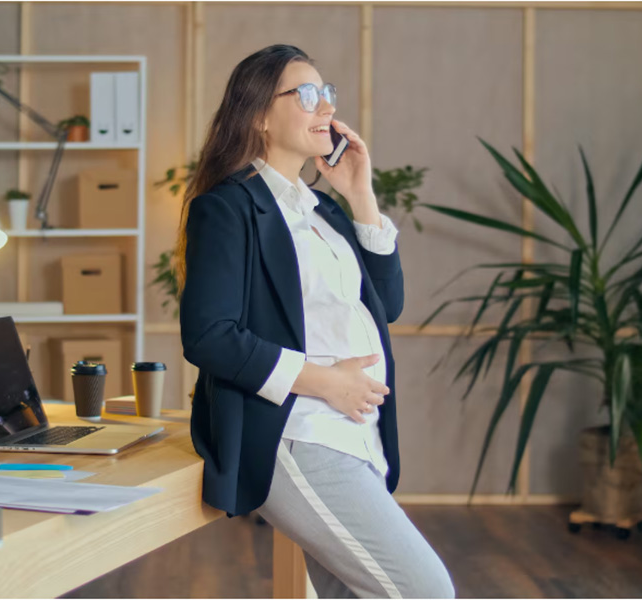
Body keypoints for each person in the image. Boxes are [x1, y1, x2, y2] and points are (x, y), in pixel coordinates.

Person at [177, 44, 455, 599]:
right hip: (295, 433)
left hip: (355, 436)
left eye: (327, 93)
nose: (324, 105)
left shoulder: (323, 210)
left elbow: (386, 305)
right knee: (427, 592)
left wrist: (360, 196)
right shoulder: (229, 208)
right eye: (306, 94)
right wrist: (327, 381)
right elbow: (208, 334)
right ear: (258, 114)